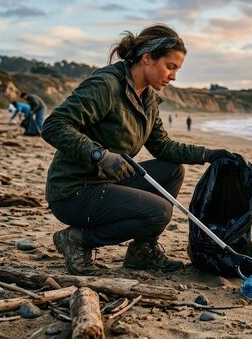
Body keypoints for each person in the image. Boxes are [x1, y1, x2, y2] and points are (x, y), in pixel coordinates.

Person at [41, 23, 237, 276]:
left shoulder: (148, 98)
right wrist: (99, 154)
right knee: (159, 212)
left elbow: (162, 146)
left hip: (107, 183)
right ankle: (77, 239)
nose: (174, 76)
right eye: (170, 66)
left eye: (177, 69)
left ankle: (142, 252)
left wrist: (209, 155)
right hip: (74, 191)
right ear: (147, 59)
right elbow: (54, 125)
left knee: (171, 170)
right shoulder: (106, 85)